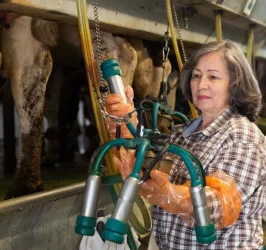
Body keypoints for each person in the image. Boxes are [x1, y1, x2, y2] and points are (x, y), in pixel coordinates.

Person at [105, 40, 266, 249]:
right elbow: (147, 166)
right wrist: (127, 126)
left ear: (236, 85)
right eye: (197, 75)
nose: (201, 84)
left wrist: (168, 195)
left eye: (213, 77)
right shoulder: (183, 133)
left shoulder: (243, 136)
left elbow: (220, 204)